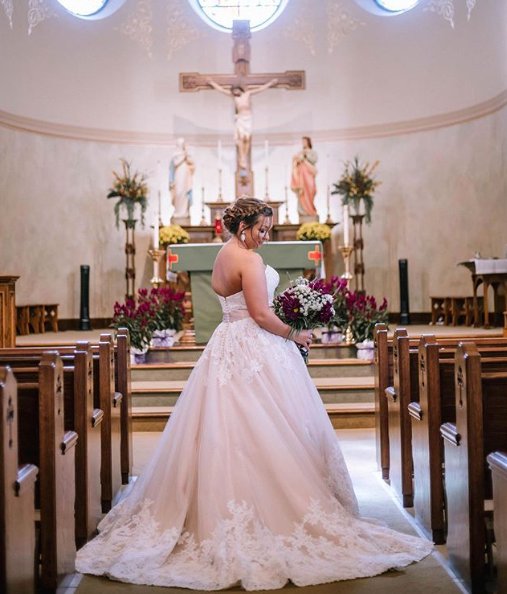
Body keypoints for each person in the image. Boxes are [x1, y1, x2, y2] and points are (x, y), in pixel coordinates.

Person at [75, 197, 432, 591]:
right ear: (243, 227)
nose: (265, 236)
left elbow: (243, 306)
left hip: (228, 344)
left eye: (268, 229)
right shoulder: (249, 260)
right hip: (254, 347)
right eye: (261, 229)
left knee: (229, 427)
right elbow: (261, 314)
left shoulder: (224, 254)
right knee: (265, 425)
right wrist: (296, 332)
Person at [207, 78, 277, 170]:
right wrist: (212, 83)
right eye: (234, 92)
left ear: (240, 89)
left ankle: (244, 156)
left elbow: (260, 89)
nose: (236, 93)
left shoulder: (247, 94)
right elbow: (222, 90)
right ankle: (242, 158)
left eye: (236, 91)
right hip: (240, 119)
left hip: (248, 119)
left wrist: (270, 83)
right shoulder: (234, 97)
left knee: (247, 139)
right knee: (240, 138)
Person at [291, 136, 318, 217]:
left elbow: (314, 160)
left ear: (308, 142)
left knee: (310, 191)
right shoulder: (300, 152)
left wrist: (305, 157)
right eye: (303, 142)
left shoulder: (312, 152)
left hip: (309, 175)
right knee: (302, 193)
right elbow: (296, 162)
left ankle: (311, 210)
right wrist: (296, 159)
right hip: (301, 177)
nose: (303, 143)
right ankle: (303, 211)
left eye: (305, 141)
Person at [169, 138, 195, 222]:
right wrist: (184, 155)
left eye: (182, 143)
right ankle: (178, 211)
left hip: (185, 175)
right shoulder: (175, 154)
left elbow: (192, 164)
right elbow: (176, 163)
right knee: (178, 192)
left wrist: (187, 155)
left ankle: (184, 212)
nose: (181, 145)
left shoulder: (186, 153)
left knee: (184, 193)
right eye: (179, 143)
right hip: (178, 174)